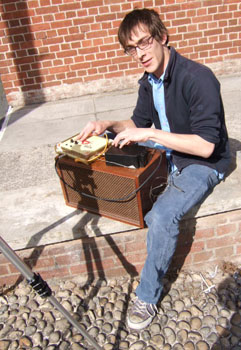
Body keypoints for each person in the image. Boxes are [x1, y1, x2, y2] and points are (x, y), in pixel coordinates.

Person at [78, 8, 231, 330]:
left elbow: (205, 146)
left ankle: (147, 296)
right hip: (168, 153)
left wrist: (149, 135)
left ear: (162, 37)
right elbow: (137, 122)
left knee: (161, 216)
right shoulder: (149, 81)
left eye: (144, 43)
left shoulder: (198, 78)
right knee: (115, 175)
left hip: (201, 163)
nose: (138, 54)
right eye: (131, 49)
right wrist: (107, 123)